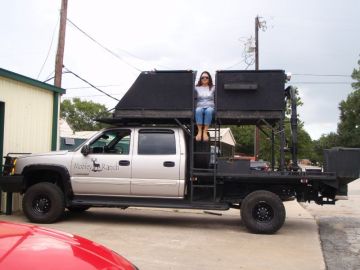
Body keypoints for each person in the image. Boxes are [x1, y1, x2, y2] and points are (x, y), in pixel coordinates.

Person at [194, 71, 215, 141]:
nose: (204, 78)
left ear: (209, 79)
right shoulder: (197, 87)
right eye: (203, 77)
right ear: (200, 79)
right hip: (200, 106)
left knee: (208, 111)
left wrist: (220, 72)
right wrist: (189, 72)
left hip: (210, 106)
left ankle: (205, 131)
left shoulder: (213, 87)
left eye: (206, 77)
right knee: (198, 110)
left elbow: (221, 84)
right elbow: (189, 84)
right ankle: (199, 131)